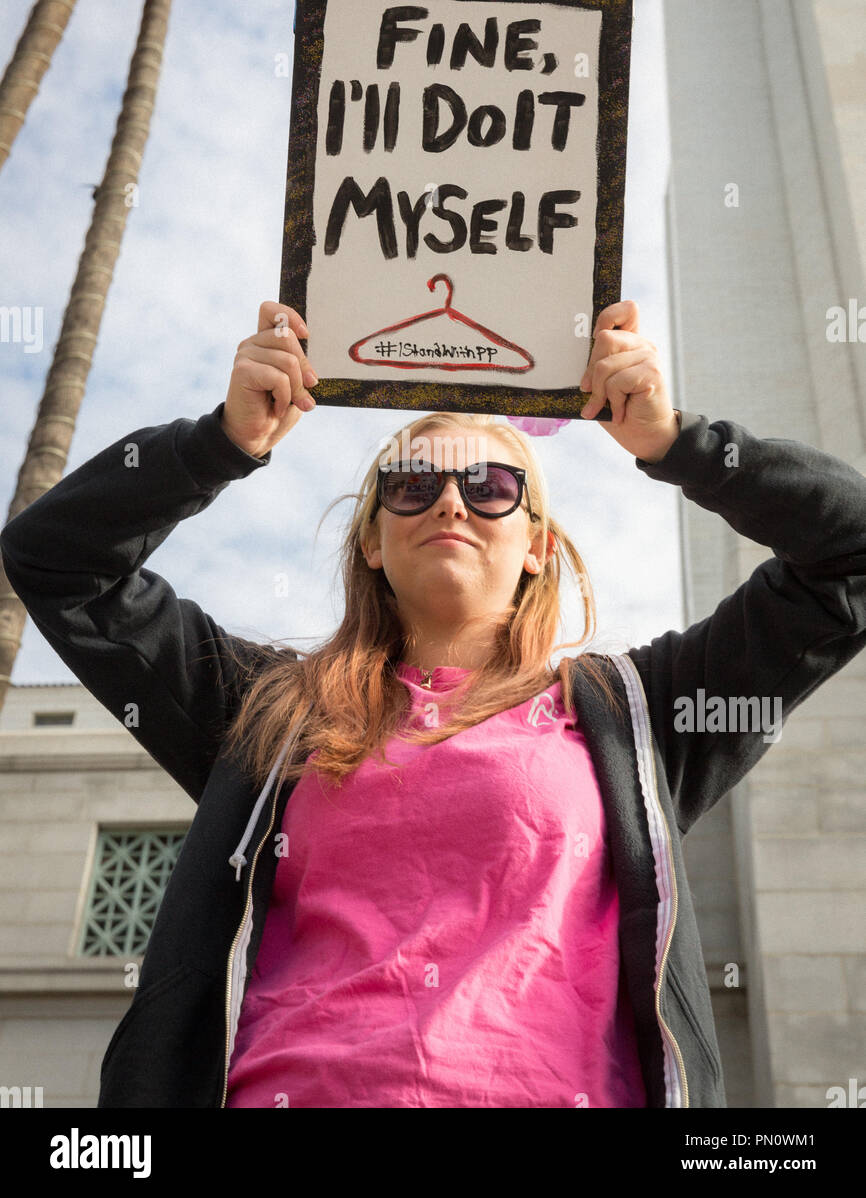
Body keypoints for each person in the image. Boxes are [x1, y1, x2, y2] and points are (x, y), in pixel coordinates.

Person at [2, 297, 865, 1109]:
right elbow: (57, 561)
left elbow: (850, 556)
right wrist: (223, 441)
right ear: (372, 539)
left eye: (492, 485)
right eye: (411, 483)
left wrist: (675, 441)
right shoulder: (266, 709)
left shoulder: (641, 715)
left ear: (537, 544)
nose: (450, 499)